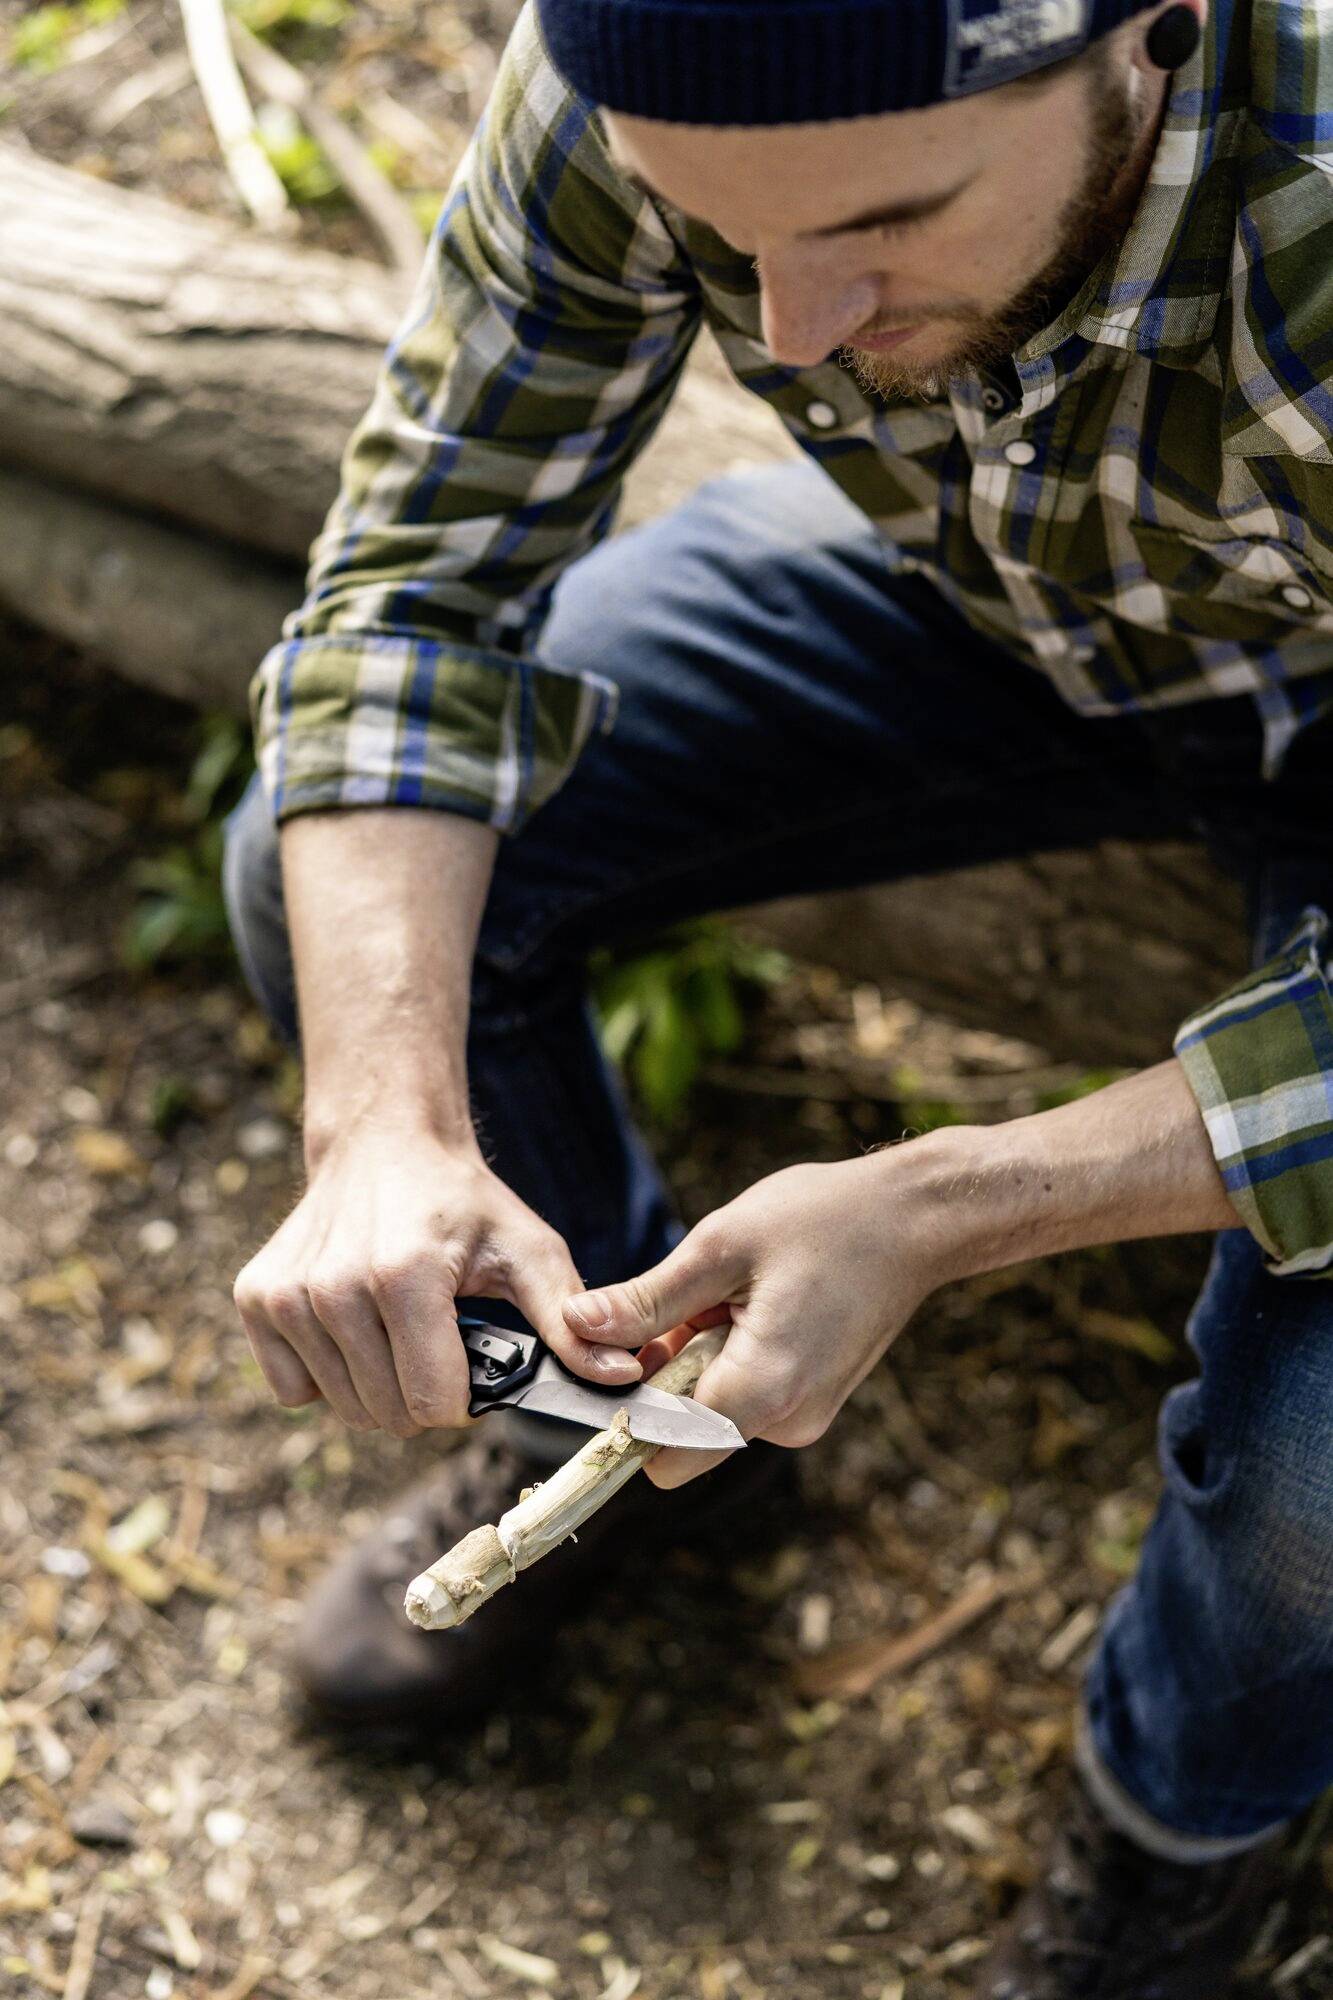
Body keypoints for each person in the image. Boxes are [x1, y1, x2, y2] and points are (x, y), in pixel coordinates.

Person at [221, 0, 1333, 1989]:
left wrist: (945, 1201)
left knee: (1307, 1492)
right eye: (720, 235)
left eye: (887, 223)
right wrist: (378, 1120)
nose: (796, 329)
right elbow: (413, 590)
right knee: (337, 897)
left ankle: (1187, 1830)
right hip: (998, 602)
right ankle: (611, 1439)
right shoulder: (638, 64)